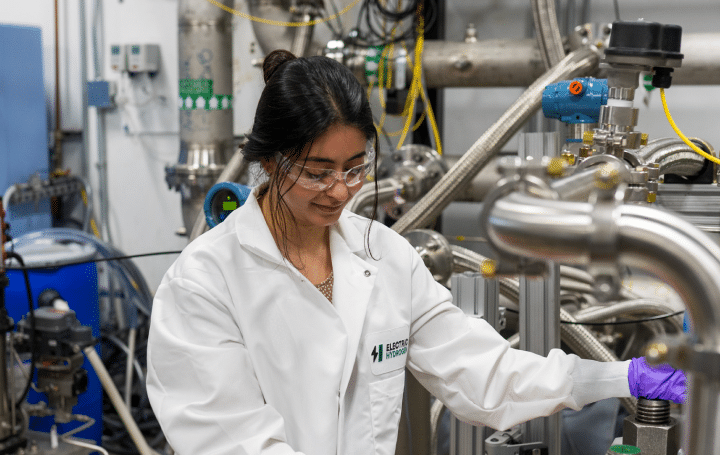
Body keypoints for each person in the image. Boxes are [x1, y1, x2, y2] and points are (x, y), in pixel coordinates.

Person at [146, 49, 685, 455]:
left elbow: (483, 373)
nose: (340, 190)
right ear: (270, 161)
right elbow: (230, 438)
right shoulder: (204, 282)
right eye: (317, 172)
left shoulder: (385, 256)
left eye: (355, 168)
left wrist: (618, 377)